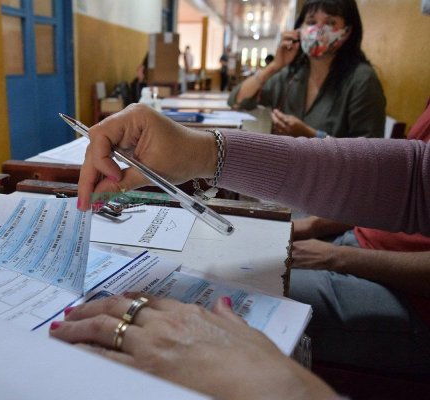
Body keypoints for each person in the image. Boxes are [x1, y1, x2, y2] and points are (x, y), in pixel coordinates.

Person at [49, 103, 429, 399]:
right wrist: (202, 151)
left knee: (214, 299)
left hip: (414, 297)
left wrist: (279, 389)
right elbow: (416, 181)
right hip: (362, 234)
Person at [289, 102, 430, 375]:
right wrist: (313, 225)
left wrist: (335, 257)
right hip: (358, 242)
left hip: (411, 297)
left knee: (250, 295)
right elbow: (396, 193)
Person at [228, 0, 386, 139]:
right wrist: (274, 66)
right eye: (311, 22)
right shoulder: (291, 75)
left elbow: (370, 156)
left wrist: (312, 136)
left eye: (330, 22)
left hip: (331, 173)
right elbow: (237, 101)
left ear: (347, 31)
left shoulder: (362, 80)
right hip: (288, 168)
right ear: (299, 30)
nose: (318, 29)